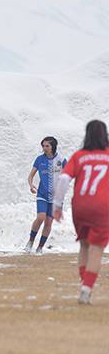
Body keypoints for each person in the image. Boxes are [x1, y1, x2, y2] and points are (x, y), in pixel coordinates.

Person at [54, 120, 109, 305]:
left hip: (80, 205)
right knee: (97, 248)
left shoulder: (79, 155)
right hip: (102, 206)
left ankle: (83, 283)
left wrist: (57, 206)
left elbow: (63, 180)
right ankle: (86, 289)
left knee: (84, 245)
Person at [25, 136, 66, 253]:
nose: (44, 148)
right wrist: (31, 185)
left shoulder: (61, 159)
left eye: (47, 146)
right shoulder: (39, 159)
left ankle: (40, 248)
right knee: (41, 217)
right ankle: (30, 242)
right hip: (42, 193)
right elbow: (31, 175)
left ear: (53, 146)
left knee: (48, 222)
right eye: (43, 146)